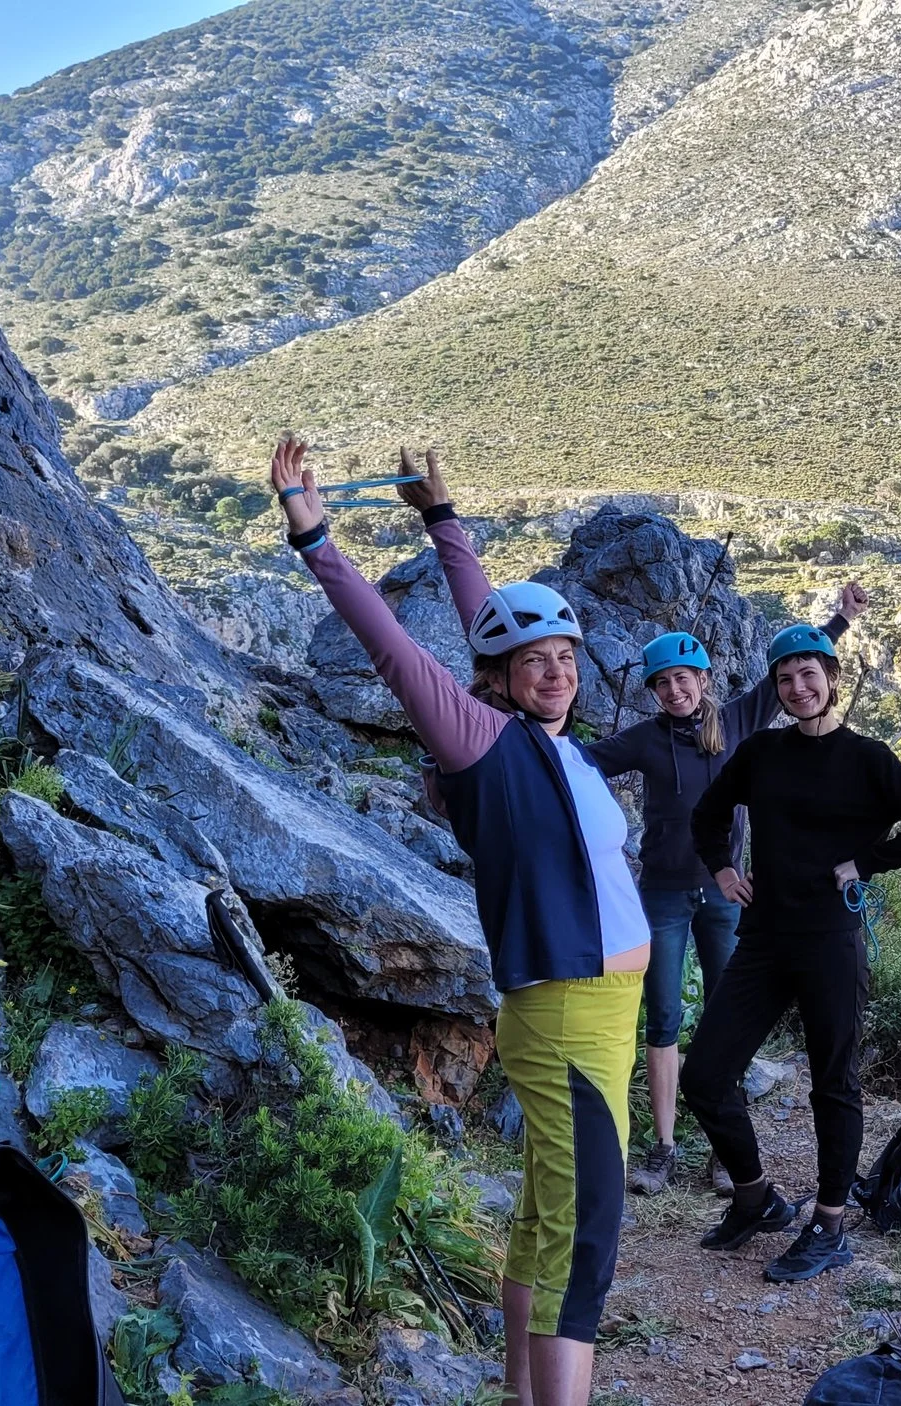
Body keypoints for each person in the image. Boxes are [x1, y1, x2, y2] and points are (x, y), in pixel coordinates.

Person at [270, 436, 644, 1406]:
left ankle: (522, 1393)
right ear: (499, 672)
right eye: (534, 661)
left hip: (600, 1011)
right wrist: (316, 536)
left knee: (544, 1215)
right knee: (583, 1223)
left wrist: (444, 520)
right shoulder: (482, 741)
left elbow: (489, 614)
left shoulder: (561, 748)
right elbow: (395, 650)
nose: (554, 671)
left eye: (565, 656)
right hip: (565, 1008)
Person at [682, 624, 901, 1283]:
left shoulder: (868, 759)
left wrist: (863, 862)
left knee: (835, 1085)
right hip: (764, 938)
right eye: (785, 678)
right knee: (704, 1075)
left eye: (810, 675)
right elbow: (707, 816)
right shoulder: (762, 752)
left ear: (832, 679)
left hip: (832, 943)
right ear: (776, 689)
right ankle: (755, 1200)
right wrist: (722, 869)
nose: (798, 688)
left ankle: (829, 1224)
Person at [578, 588, 869, 1197]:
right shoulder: (644, 739)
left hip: (725, 896)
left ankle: (721, 1145)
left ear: (704, 679)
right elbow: (579, 759)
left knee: (724, 1018)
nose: (675, 692)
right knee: (661, 1018)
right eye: (663, 684)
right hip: (660, 893)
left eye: (683, 679)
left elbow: (801, 668)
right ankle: (661, 1148)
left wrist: (843, 616)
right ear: (654, 691)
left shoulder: (739, 718)